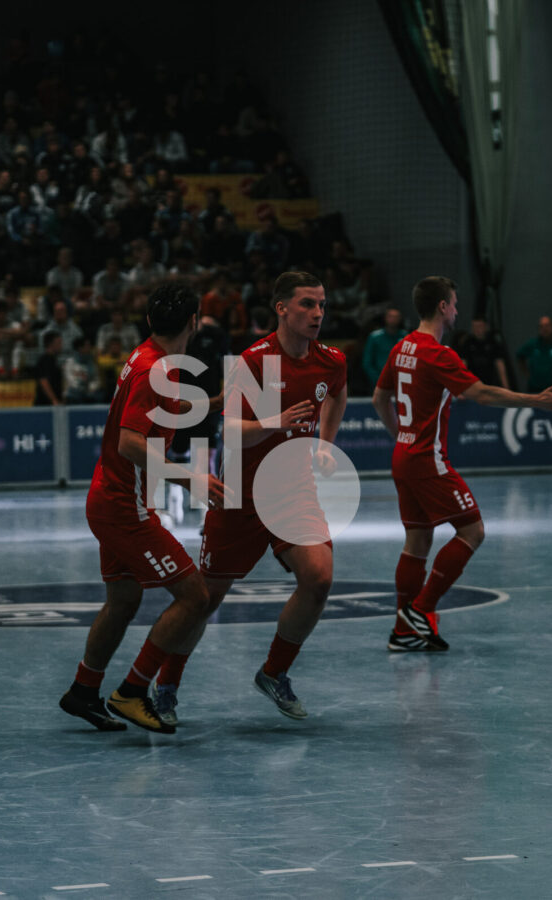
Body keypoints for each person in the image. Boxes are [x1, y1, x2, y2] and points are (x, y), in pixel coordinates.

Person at [151, 271, 348, 726]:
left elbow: (337, 397)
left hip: (294, 490)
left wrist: (325, 444)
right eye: (307, 304)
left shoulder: (332, 360)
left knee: (318, 579)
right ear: (282, 308)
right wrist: (278, 421)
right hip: (240, 495)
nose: (317, 313)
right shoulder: (254, 362)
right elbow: (232, 432)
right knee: (205, 599)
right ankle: (166, 685)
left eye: (321, 304)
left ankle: (274, 672)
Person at [58, 281, 225, 734]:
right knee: (195, 597)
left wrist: (215, 403)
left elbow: (163, 410)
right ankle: (132, 691)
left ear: (150, 320)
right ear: (194, 323)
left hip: (108, 497)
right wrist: (190, 478)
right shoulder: (156, 369)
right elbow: (130, 443)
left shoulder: (146, 357)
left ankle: (83, 690)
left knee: (124, 600)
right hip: (124, 507)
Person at [373, 276, 552, 651]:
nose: (457, 310)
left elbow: (378, 398)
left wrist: (400, 435)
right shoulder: (438, 353)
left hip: (404, 456)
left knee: (417, 540)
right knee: (472, 530)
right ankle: (421, 609)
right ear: (443, 307)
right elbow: (482, 394)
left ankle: (403, 632)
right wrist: (533, 400)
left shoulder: (402, 347)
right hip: (427, 459)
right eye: (454, 303)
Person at [451, 315, 512, 390]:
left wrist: (506, 387)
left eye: (479, 326)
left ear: (486, 327)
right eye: (474, 327)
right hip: (473, 383)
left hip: (490, 382)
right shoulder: (468, 342)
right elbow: (463, 365)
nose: (477, 330)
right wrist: (460, 386)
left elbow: (500, 365)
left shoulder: (493, 342)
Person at [362, 307, 406, 388]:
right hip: (378, 380)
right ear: (385, 318)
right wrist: (377, 380)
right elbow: (367, 363)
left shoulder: (405, 336)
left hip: (400, 380)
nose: (393, 319)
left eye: (396, 317)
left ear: (400, 319)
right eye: (391, 316)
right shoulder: (375, 337)